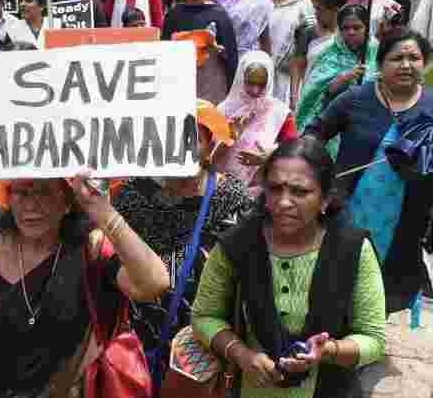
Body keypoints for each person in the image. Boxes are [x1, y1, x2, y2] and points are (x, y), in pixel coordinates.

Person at [191, 137, 386, 397]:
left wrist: (328, 350)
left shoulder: (353, 250)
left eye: (300, 192)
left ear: (325, 199)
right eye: (274, 189)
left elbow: (373, 338)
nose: (284, 202)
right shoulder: (237, 245)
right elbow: (204, 316)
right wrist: (242, 355)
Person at [0, 173, 170, 398]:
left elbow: (155, 284)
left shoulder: (91, 249)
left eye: (44, 192)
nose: (31, 205)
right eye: (22, 193)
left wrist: (104, 213)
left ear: (68, 201)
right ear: (8, 198)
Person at [304, 28, 433, 313]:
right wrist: (306, 166)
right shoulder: (356, 98)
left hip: (406, 222)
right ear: (380, 63)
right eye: (397, 58)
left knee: (381, 298)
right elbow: (315, 133)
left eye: (414, 58)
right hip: (348, 214)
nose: (406, 65)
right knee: (337, 289)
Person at [112, 101, 254, 350]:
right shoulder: (130, 198)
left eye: (192, 139)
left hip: (203, 346)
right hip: (132, 344)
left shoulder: (233, 201)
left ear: (209, 146)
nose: (181, 149)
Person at [296, 5, 378, 158]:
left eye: (357, 28)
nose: (351, 32)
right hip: (334, 127)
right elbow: (312, 94)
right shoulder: (328, 54)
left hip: (369, 127)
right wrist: (340, 81)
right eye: (345, 28)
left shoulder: (378, 53)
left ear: (367, 28)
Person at [218, 51, 297, 192]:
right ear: (241, 78)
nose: (255, 90)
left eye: (261, 84)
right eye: (250, 83)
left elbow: (293, 151)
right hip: (222, 189)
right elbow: (206, 157)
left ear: (269, 81)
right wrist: (228, 139)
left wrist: (269, 156)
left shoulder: (279, 113)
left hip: (261, 190)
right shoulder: (224, 110)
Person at [162, 0, 239, 105]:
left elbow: (231, 54)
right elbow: (164, 50)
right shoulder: (174, 14)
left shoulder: (218, 14)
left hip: (211, 83)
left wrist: (220, 51)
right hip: (180, 81)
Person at [268, 0, 316, 108]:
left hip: (291, 68)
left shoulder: (303, 2)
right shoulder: (267, 0)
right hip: (269, 63)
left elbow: (309, 34)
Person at [305, 0, 349, 79]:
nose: (316, 13)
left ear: (335, 10)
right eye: (315, 9)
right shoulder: (310, 32)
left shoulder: (349, 36)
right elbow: (297, 65)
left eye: (320, 9)